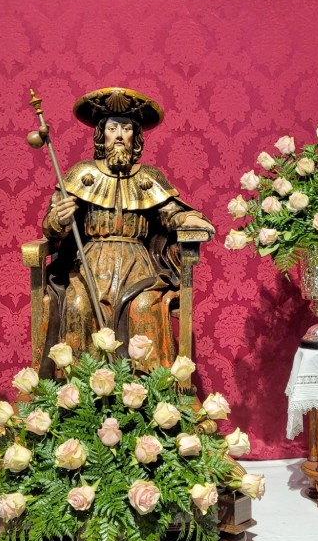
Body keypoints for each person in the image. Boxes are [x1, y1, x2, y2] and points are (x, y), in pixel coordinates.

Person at [39, 87, 213, 374]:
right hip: (88, 264)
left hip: (138, 266)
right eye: (112, 127)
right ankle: (80, 389)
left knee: (144, 307)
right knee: (78, 305)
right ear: (101, 134)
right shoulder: (80, 174)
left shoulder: (149, 177)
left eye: (127, 128)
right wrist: (58, 218)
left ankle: (147, 390)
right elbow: (50, 227)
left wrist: (187, 220)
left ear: (136, 137)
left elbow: (171, 214)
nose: (119, 135)